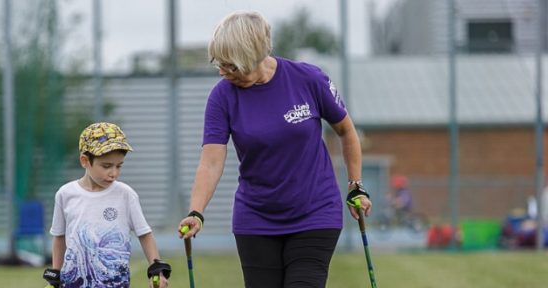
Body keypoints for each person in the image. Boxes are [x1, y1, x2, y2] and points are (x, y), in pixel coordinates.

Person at [176, 11, 372, 288]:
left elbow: (346, 131)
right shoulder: (222, 97)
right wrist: (196, 211)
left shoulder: (309, 79)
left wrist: (355, 184)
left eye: (230, 66)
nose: (222, 72)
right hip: (256, 218)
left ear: (252, 56)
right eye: (219, 64)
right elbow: (210, 162)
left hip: (315, 212)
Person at [43, 122, 171, 288]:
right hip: (73, 283)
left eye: (119, 166)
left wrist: (156, 268)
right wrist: (56, 272)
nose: (114, 173)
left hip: (114, 283)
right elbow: (59, 237)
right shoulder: (65, 194)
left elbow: (144, 234)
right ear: (85, 161)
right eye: (106, 166)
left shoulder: (126, 195)